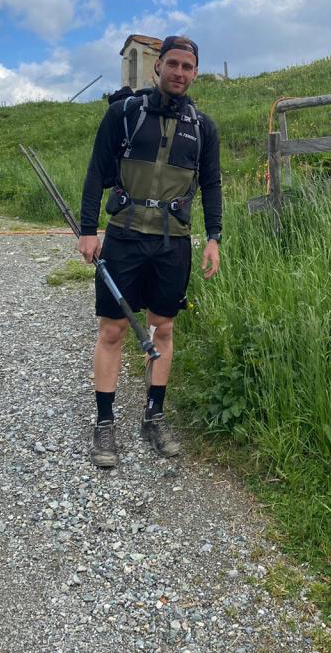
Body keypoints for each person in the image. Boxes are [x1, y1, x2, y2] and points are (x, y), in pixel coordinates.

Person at [77, 35, 222, 468]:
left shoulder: (203, 127)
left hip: (172, 243)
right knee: (113, 331)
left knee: (163, 330)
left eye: (188, 67)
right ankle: (105, 423)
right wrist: (88, 230)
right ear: (158, 65)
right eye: (173, 63)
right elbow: (95, 171)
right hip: (124, 237)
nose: (180, 72)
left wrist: (213, 237)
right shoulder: (124, 113)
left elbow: (211, 184)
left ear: (195, 73)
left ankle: (153, 417)